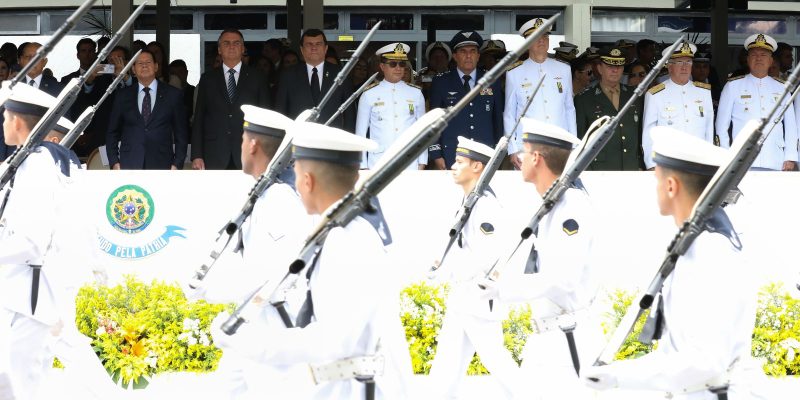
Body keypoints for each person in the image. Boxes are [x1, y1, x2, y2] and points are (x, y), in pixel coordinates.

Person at [211, 121, 412, 399]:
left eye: (295, 172)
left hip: (362, 389)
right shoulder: (338, 230)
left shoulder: (345, 239)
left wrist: (252, 342)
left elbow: (334, 339)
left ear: (308, 180)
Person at [582, 128, 758, 400]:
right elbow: (678, 348)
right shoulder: (694, 243)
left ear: (671, 186)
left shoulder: (710, 250)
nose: (655, 187)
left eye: (656, 179)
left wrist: (620, 376)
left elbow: (705, 360)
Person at [186, 105, 310, 398]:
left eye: (243, 138)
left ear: (253, 145)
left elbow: (268, 273)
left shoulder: (279, 199)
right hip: (252, 323)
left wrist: (209, 291)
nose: (240, 146)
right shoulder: (263, 193)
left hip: (273, 327)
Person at [479, 119, 600, 399]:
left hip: (567, 343)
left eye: (524, 150)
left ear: (536, 158)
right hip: (548, 340)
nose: (519, 157)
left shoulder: (571, 206)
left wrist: (503, 288)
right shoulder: (553, 202)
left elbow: (564, 279)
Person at [0, 83, 82, 400]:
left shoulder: (36, 166)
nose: (4, 123)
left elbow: (31, 242)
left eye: (6, 117)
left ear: (18, 122)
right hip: (21, 294)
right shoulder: (27, 163)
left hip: (28, 298)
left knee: (19, 386)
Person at [428, 137, 525, 399]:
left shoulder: (484, 205)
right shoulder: (470, 201)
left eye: (460, 162)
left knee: (499, 365)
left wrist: (450, 269)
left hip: (478, 298)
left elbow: (486, 254)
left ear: (477, 167)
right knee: (446, 369)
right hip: (465, 297)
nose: (452, 166)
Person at [716, 34, 798, 171]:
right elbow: (721, 126)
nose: (758, 58)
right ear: (747, 60)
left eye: (763, 55)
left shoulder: (782, 88)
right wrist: (725, 156)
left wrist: (790, 156)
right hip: (740, 160)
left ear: (771, 61)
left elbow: (791, 126)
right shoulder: (733, 86)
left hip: (775, 158)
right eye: (754, 55)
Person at [192, 29, 271, 170]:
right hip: (214, 153)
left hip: (250, 153)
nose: (231, 46)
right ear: (219, 50)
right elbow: (199, 118)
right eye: (226, 43)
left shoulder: (258, 77)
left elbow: (266, 119)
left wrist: (265, 153)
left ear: (243, 49)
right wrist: (197, 154)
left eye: (236, 43)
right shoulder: (207, 79)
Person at [505, 18, 576, 169]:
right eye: (537, 37)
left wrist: (574, 145)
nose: (542, 41)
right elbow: (510, 114)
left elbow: (569, 109)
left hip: (559, 145)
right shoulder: (515, 72)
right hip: (527, 148)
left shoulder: (563, 69)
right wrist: (512, 148)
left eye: (545, 36)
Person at [428, 30, 504, 170]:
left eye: (473, 51)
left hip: (485, 153)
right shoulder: (441, 82)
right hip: (451, 153)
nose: (468, 56)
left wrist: (499, 153)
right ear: (455, 56)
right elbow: (434, 121)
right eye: (463, 51)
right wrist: (436, 154)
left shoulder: (492, 80)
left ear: (478, 55)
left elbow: (497, 120)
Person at [106, 49, 188, 170]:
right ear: (133, 69)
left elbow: (181, 133)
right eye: (139, 63)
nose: (144, 65)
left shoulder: (173, 94)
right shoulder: (122, 96)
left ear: (156, 66)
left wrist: (177, 164)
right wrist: (114, 162)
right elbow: (112, 131)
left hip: (163, 163)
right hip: (129, 163)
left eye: (148, 62)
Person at [642, 42, 714, 170]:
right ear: (669, 67)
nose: (684, 67)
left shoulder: (704, 92)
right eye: (680, 62)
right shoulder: (655, 95)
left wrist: (709, 161)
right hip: (668, 162)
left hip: (698, 161)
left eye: (688, 62)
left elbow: (709, 129)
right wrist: (651, 164)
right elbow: (648, 133)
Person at [355, 43, 426, 170]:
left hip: (409, 162)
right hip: (378, 162)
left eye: (402, 64)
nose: (398, 68)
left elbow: (423, 131)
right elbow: (360, 133)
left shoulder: (416, 93)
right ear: (382, 66)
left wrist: (422, 161)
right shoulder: (369, 94)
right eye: (393, 64)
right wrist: (362, 165)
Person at [574, 46, 643, 170]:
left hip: (631, 168)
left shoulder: (635, 96)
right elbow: (580, 140)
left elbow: (641, 134)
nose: (615, 70)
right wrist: (586, 171)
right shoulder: (584, 99)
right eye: (610, 66)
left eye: (619, 66)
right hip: (599, 170)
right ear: (600, 69)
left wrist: (641, 165)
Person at [274, 29, 355, 130]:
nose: (314, 48)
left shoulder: (341, 74)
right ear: (302, 50)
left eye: (318, 44)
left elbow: (350, 115)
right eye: (309, 44)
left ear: (325, 49)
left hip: (332, 141)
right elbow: (280, 113)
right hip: (298, 140)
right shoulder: (288, 76)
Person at [169, 59, 196, 127]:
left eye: (180, 72)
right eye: (173, 73)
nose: (177, 76)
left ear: (186, 73)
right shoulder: (165, 93)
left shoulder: (194, 92)